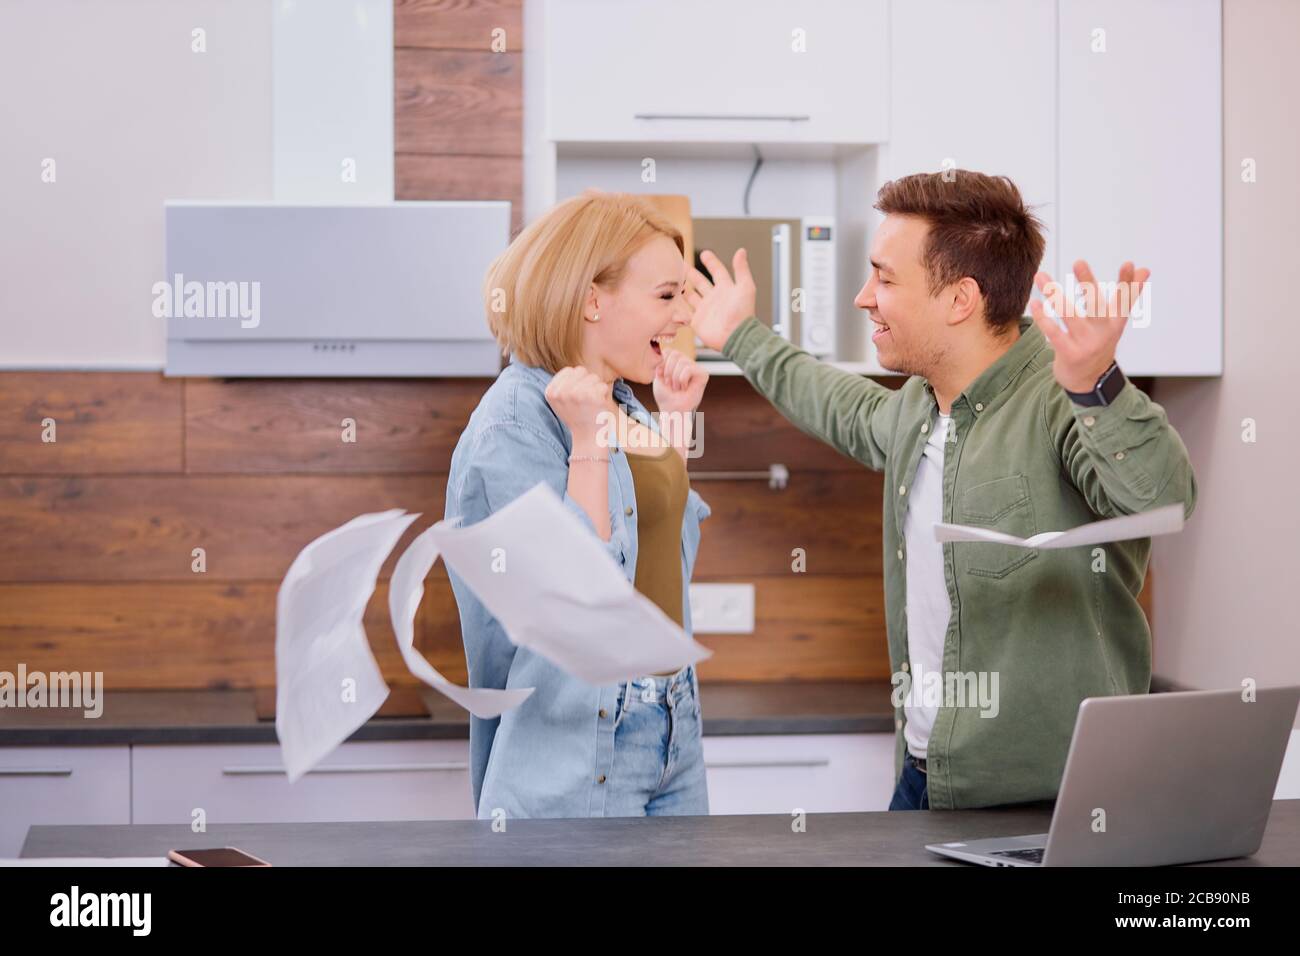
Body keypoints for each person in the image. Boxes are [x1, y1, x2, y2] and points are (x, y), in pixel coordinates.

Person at [686, 169, 1197, 810]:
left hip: (1049, 799)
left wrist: (1099, 386)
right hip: (925, 779)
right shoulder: (918, 409)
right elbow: (832, 400)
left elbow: (1162, 499)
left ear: (959, 299)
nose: (864, 297)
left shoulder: (1059, 400)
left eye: (885, 277)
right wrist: (740, 334)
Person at [446, 190, 713, 818]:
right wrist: (589, 444)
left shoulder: (622, 401)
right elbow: (566, 605)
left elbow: (660, 558)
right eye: (667, 295)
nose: (682, 316)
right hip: (579, 739)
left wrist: (673, 431)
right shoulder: (516, 422)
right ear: (593, 297)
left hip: (673, 717)